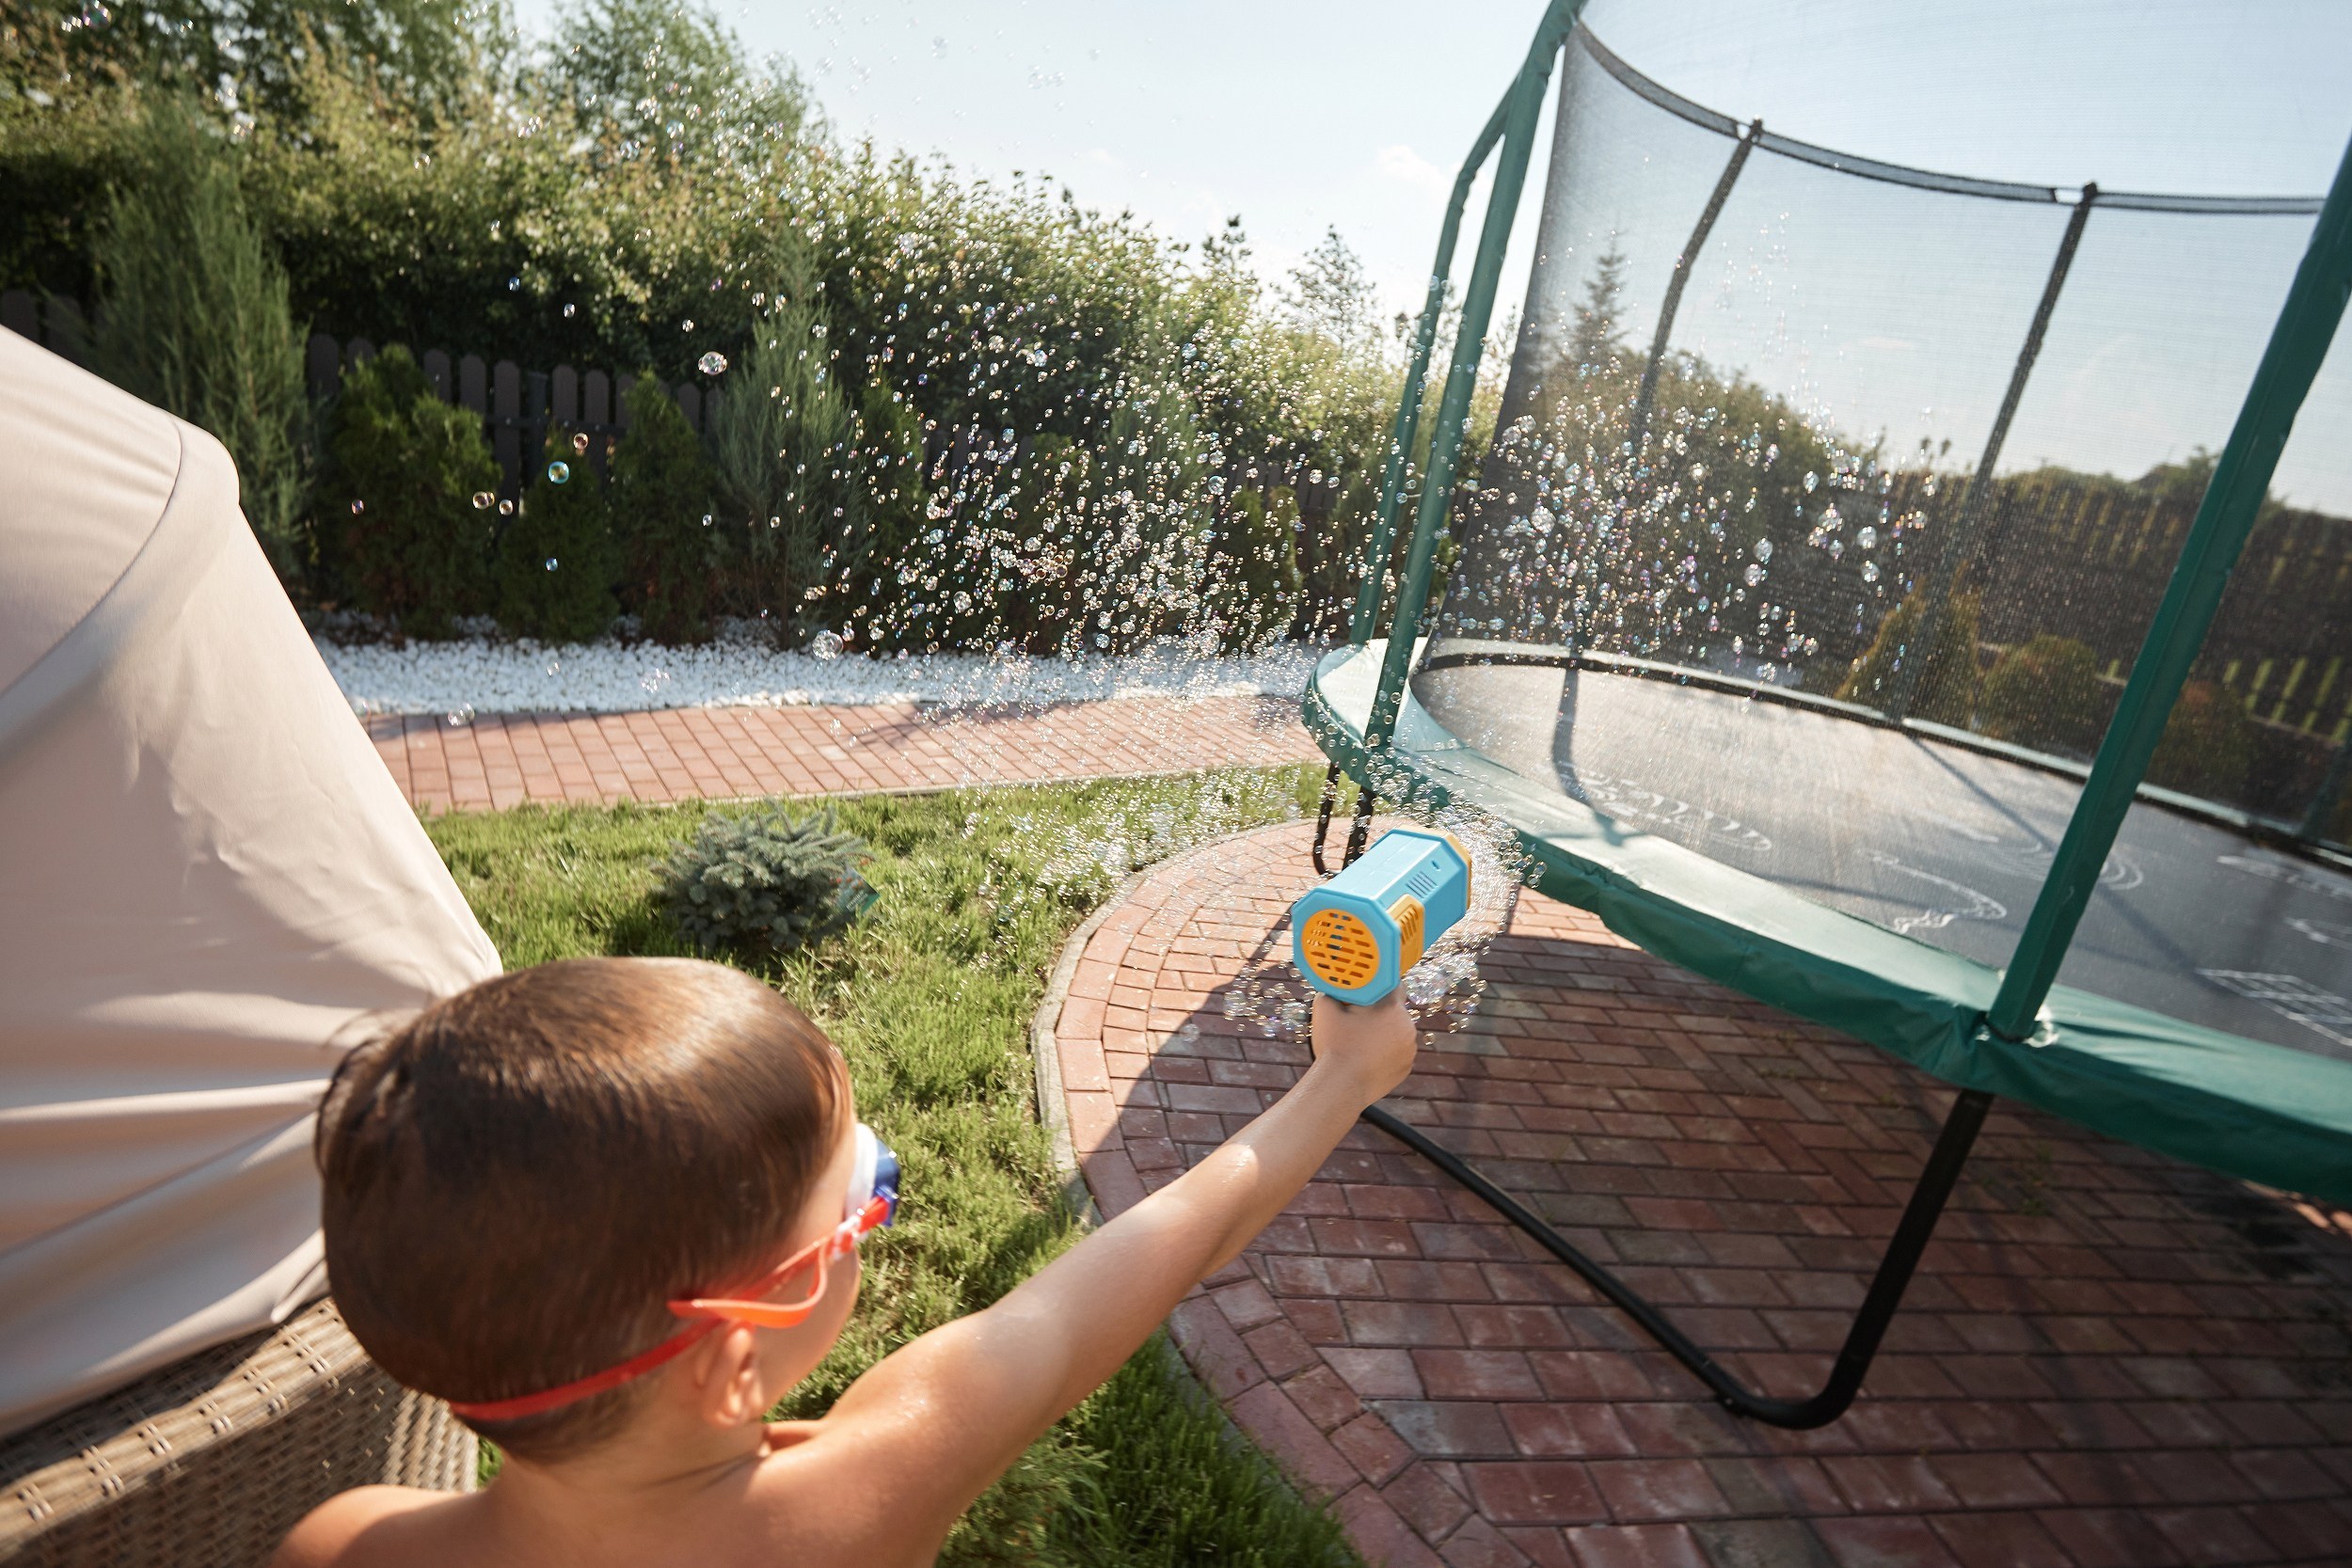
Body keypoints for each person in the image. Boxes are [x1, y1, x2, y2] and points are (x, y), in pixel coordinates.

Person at [271, 954, 1416, 1567]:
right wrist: (1345, 1076)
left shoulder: (338, 1540)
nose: (881, 1198)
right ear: (728, 1357)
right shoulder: (866, 1498)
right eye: (869, 1197)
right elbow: (1155, 1251)